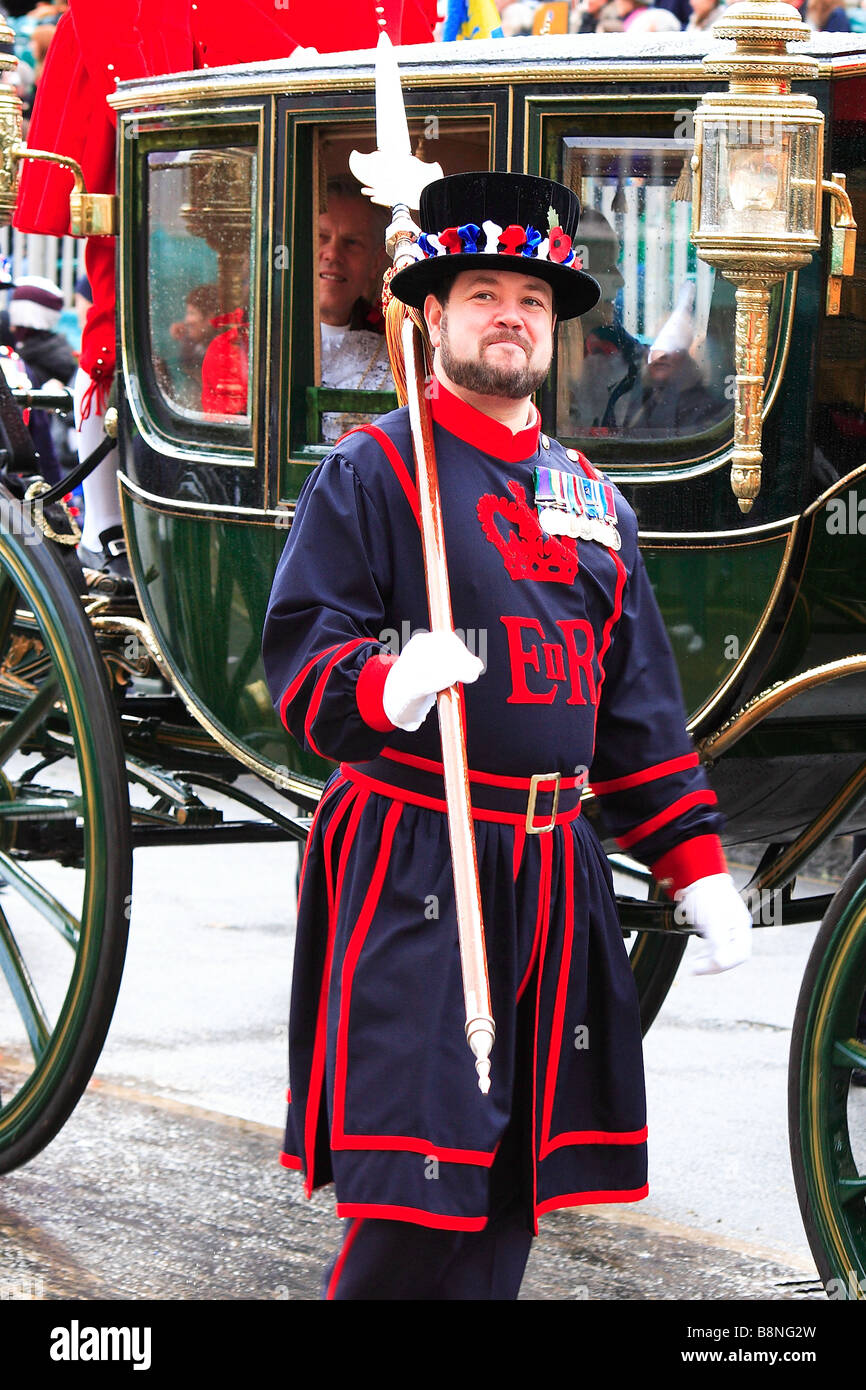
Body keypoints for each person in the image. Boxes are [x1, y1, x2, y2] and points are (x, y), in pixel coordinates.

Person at [262, 170, 752, 1301]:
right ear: (429, 315)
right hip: (415, 857)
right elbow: (299, 661)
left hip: (553, 867)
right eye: (480, 292)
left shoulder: (592, 497)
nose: (508, 315)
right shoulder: (374, 470)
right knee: (413, 1194)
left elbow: (635, 706)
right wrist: (385, 682)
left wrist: (694, 869)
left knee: (504, 1197)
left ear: (554, 327)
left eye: (530, 299)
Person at [317, 179, 395, 443]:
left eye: (351, 243)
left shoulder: (394, 355)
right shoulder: (241, 345)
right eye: (321, 237)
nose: (332, 254)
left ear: (374, 264)